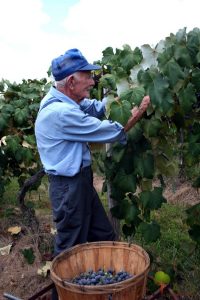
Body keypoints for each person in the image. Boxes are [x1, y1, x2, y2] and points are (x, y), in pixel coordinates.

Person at [34, 48, 150, 298]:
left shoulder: (63, 98)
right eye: (88, 76)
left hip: (80, 182)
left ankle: (102, 288)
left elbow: (94, 107)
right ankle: (64, 295)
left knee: (104, 235)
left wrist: (122, 92)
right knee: (69, 249)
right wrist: (137, 112)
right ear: (72, 81)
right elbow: (111, 131)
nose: (93, 80)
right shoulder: (61, 113)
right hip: (68, 187)